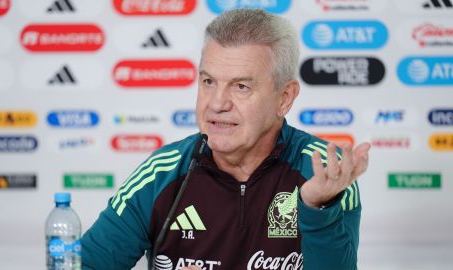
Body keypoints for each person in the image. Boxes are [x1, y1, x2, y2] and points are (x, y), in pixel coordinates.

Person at [81, 8, 371, 270]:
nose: (216, 103)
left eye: (241, 86)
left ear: (284, 98)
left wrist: (317, 209)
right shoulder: (161, 173)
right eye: (208, 82)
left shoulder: (323, 174)